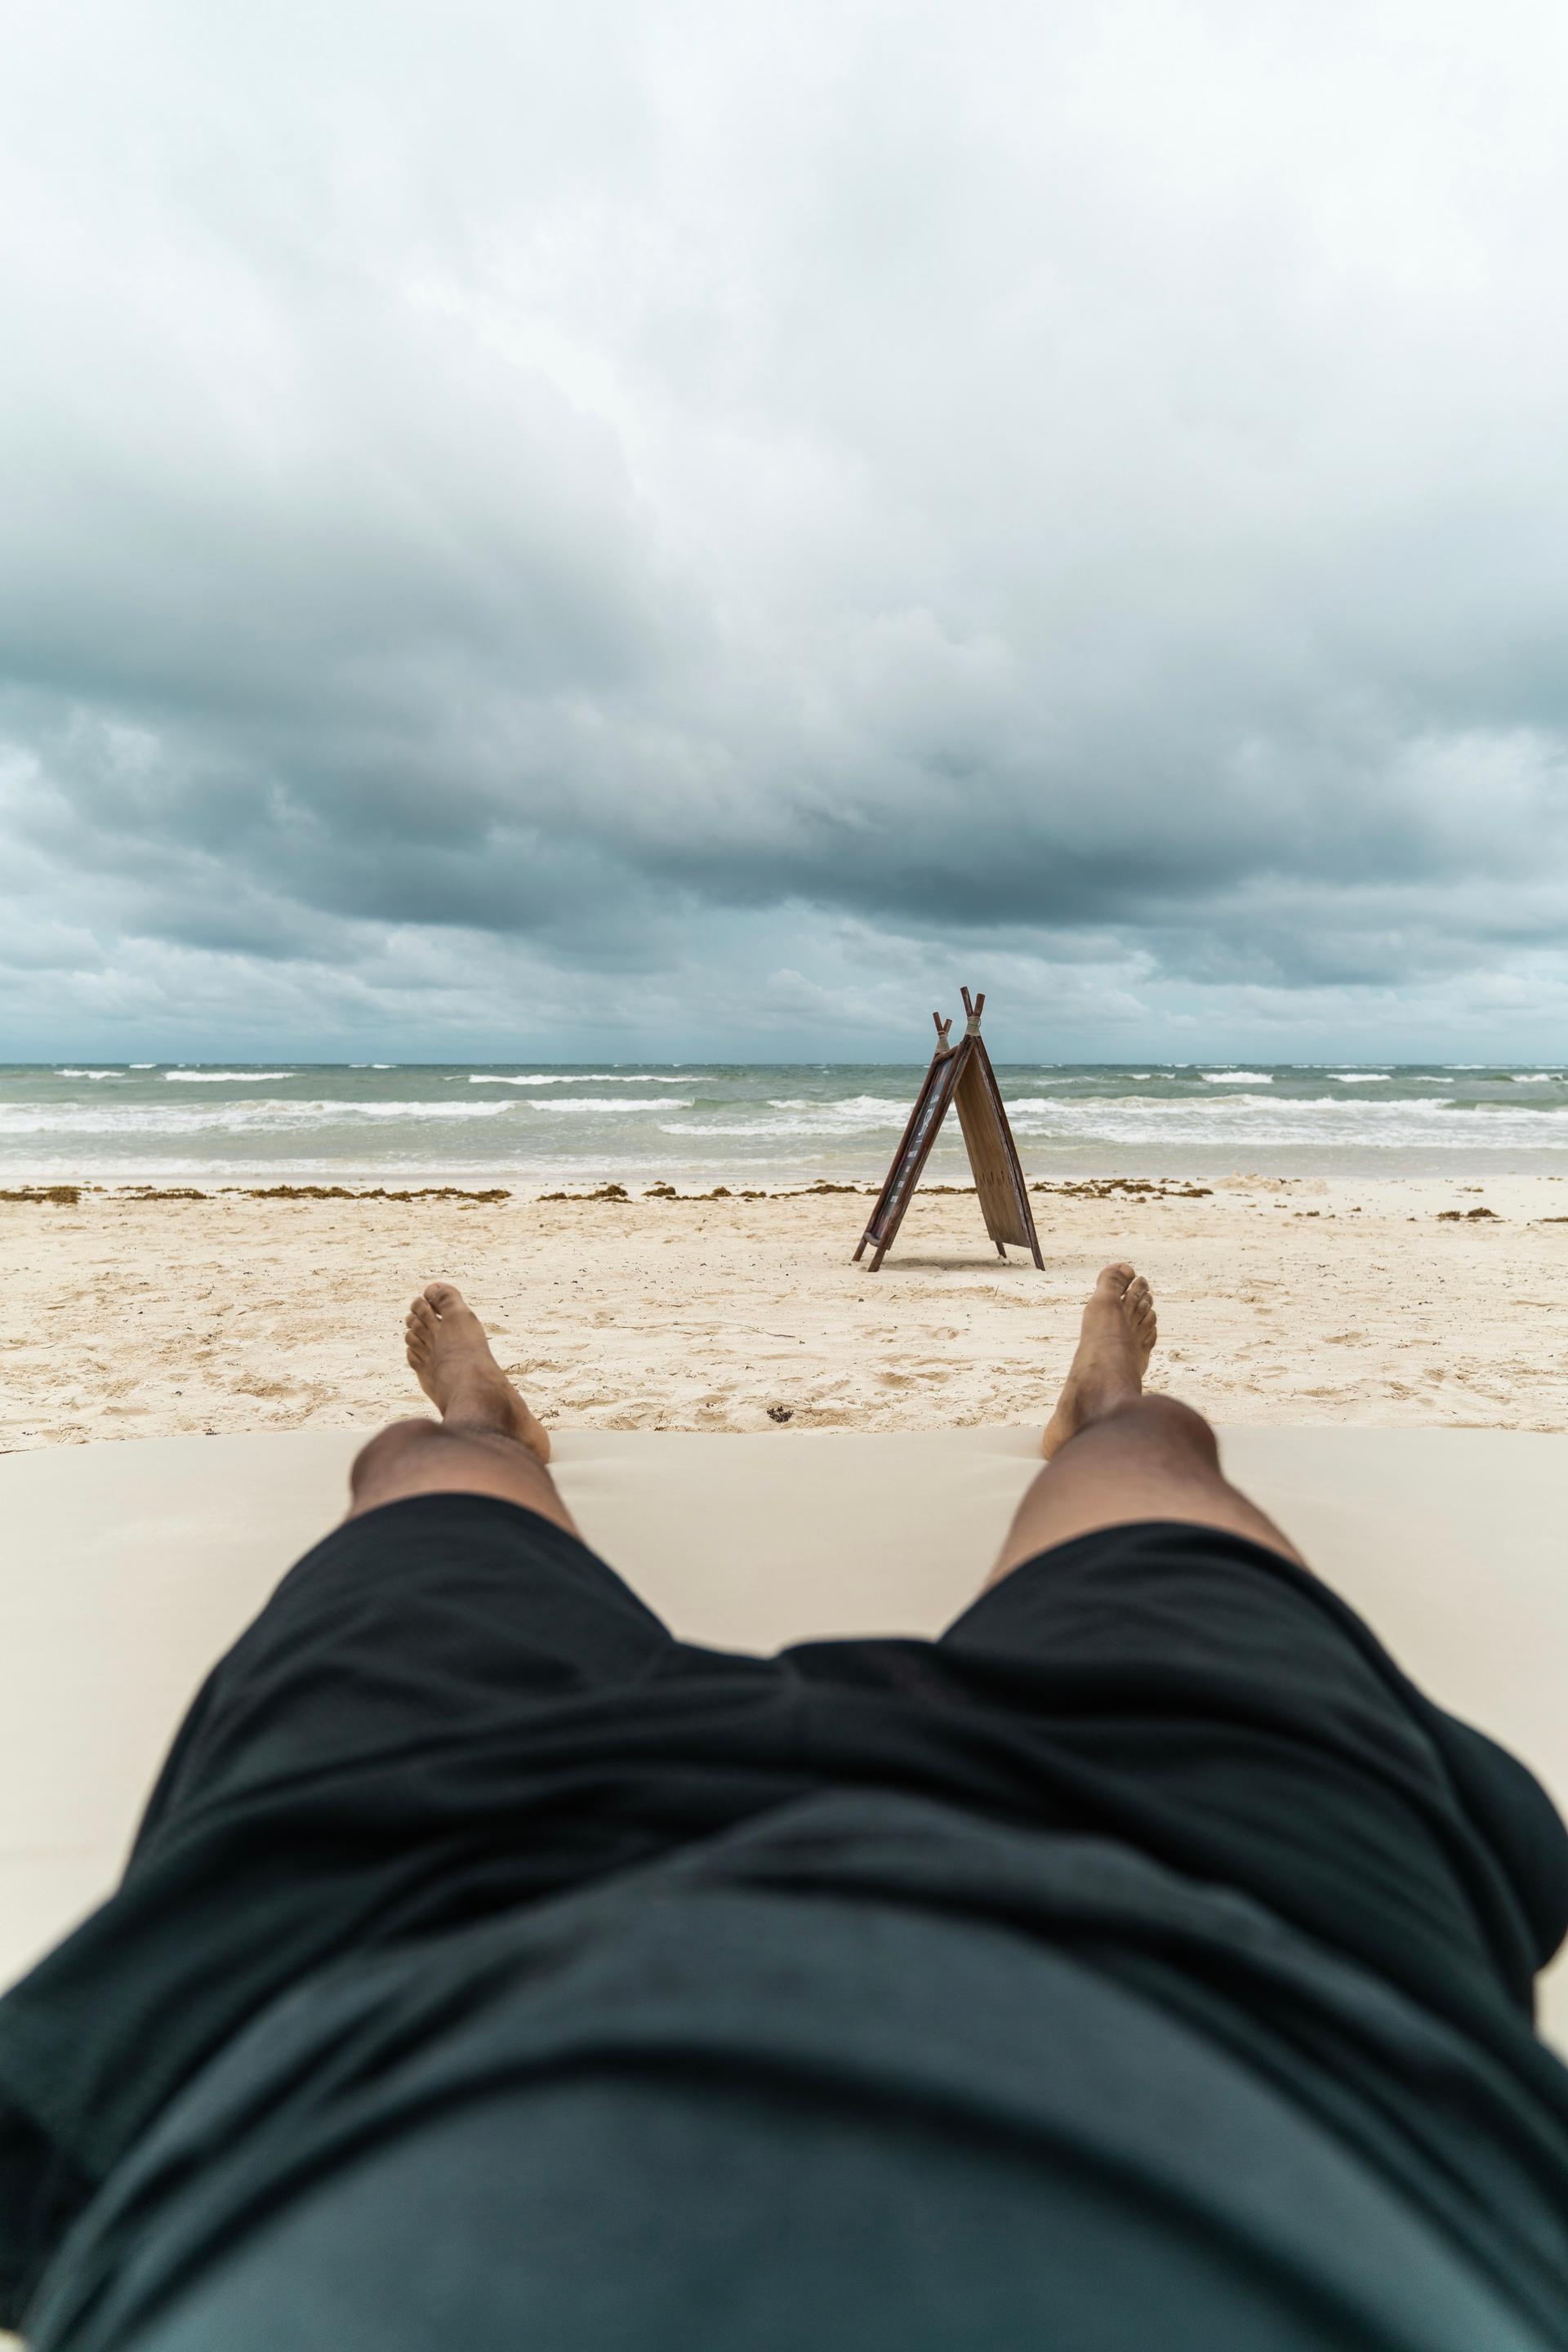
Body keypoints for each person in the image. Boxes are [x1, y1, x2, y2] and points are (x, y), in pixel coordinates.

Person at [3, 1267, 1568, 2350]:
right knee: (1164, 1474)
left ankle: (486, 1437)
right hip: (1247, 1930)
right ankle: (1106, 1417)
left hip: (396, 1904)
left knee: (408, 1481)